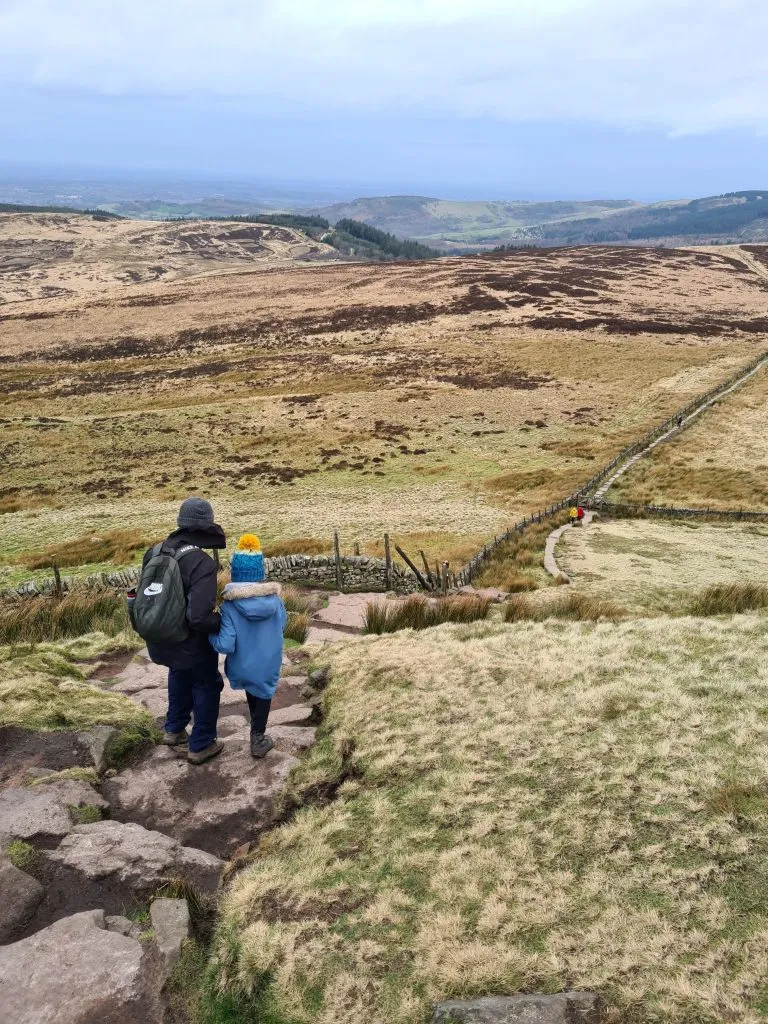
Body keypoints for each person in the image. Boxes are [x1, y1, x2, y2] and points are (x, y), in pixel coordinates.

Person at [141, 497, 227, 765]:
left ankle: (174, 729)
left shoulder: (154, 552)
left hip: (159, 637)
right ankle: (201, 744)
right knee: (206, 682)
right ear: (205, 527)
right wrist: (222, 621)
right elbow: (198, 617)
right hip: (190, 641)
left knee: (178, 672)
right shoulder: (201, 562)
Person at [209, 534, 287, 758]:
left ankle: (256, 731)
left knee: (253, 689)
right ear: (259, 574)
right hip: (269, 661)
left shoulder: (230, 606)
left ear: (236, 574)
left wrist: (208, 637)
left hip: (243, 663)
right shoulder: (276, 602)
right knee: (263, 691)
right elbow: (282, 625)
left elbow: (225, 644)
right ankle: (258, 738)